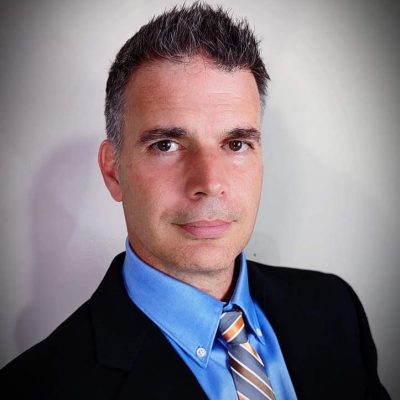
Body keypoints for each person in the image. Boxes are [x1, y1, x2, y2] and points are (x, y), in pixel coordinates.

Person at [0, 2, 391, 399]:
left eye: (236, 143)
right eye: (167, 144)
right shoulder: (37, 388)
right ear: (113, 171)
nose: (209, 182)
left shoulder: (335, 310)